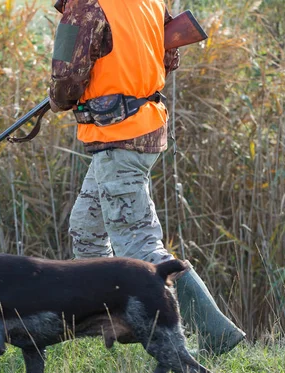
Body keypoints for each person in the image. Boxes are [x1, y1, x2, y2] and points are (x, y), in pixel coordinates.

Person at [48, 0, 245, 355]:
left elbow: (66, 78)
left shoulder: (84, 6)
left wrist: (59, 99)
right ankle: (108, 324)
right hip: (143, 128)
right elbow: (169, 57)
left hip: (117, 136)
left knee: (140, 247)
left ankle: (214, 332)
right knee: (87, 229)